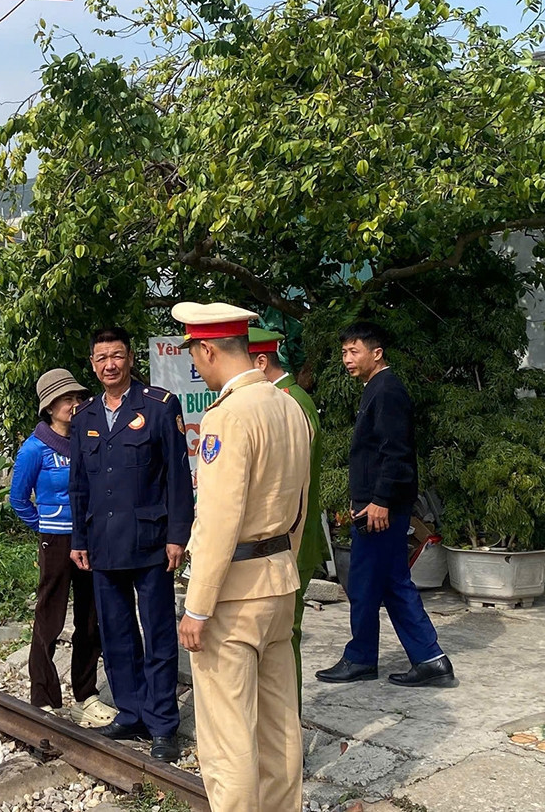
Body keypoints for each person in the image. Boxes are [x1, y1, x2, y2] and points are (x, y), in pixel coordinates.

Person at [172, 303, 311, 812]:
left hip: (233, 596)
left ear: (208, 349)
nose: (198, 367)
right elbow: (300, 500)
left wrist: (197, 605)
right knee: (279, 731)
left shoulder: (227, 416)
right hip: (279, 581)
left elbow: (217, 521)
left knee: (228, 740)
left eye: (196, 356)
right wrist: (285, 563)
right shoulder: (288, 404)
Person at [69, 327, 194, 762]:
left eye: (117, 356)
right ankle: (131, 711)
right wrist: (78, 539)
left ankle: (162, 724)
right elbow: (79, 486)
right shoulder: (84, 417)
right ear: (92, 364)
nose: (110, 365)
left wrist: (179, 535)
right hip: (102, 544)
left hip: (151, 541)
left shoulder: (159, 407)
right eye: (101, 358)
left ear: (130, 359)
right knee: (116, 633)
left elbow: (179, 479)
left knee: (158, 633)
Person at [314, 321, 455, 688]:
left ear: (377, 353)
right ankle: (430, 659)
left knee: (362, 583)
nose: (347, 358)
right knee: (393, 583)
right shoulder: (375, 388)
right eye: (344, 352)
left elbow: (397, 453)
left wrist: (379, 501)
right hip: (376, 505)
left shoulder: (387, 390)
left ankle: (361, 658)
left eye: (354, 351)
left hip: (382, 509)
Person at [9, 368, 116, 728]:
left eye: (77, 397)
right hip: (55, 541)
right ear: (49, 406)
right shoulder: (34, 449)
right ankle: (43, 697)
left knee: (90, 618)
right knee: (50, 617)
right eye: (66, 399)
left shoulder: (88, 440)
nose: (74, 404)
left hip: (90, 539)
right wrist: (46, 526)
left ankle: (85, 695)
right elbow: (19, 499)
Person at [250, 327, 328, 704]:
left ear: (261, 361)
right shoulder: (289, 398)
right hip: (290, 539)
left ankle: (287, 725)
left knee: (283, 637)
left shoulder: (289, 401)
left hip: (290, 541)